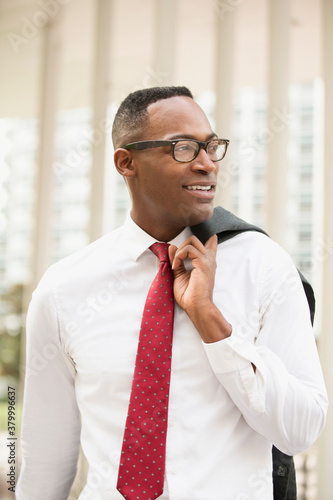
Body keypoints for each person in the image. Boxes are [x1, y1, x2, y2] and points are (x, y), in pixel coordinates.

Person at [16, 86, 328, 500]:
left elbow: (302, 429)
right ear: (127, 162)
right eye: (183, 148)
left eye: (211, 147)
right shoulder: (64, 289)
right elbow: (45, 460)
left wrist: (212, 323)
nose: (207, 165)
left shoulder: (265, 267)